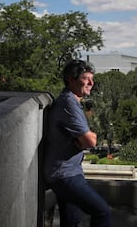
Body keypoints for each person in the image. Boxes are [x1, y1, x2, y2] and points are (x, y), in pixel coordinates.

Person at [44, 59, 111, 227]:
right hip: (65, 175)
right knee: (102, 212)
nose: (91, 83)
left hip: (67, 172)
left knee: (71, 222)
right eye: (86, 78)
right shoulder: (68, 103)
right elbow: (90, 140)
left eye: (92, 78)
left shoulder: (72, 101)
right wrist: (86, 139)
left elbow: (84, 141)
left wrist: (82, 141)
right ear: (71, 79)